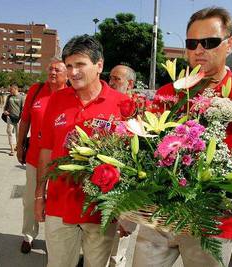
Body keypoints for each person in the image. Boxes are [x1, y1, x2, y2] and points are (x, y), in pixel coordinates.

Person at [132, 7, 232, 267]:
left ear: (229, 44)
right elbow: (142, 150)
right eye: (191, 43)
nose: (199, 50)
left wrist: (230, 199)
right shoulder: (168, 93)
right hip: (158, 220)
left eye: (209, 42)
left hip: (213, 225)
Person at [35, 34, 129, 267]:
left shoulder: (121, 104)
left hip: (101, 209)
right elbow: (46, 150)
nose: (73, 72)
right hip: (59, 205)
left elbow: (131, 161)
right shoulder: (56, 100)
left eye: (80, 65)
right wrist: (39, 195)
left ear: (99, 65)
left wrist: (126, 209)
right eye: (69, 66)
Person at [16, 57, 67, 253]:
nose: (53, 73)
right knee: (31, 199)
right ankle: (28, 235)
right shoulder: (36, 90)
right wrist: (20, 145)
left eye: (58, 70)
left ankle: (56, 241)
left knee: (57, 202)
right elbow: (25, 120)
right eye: (50, 69)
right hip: (35, 156)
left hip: (60, 159)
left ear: (66, 75)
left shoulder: (71, 94)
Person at [108, 64, 137, 267]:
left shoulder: (140, 110)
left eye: (116, 79)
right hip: (104, 185)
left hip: (127, 191)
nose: (111, 82)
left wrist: (129, 215)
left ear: (130, 84)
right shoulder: (106, 104)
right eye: (110, 78)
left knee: (117, 248)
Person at [4, 83, 24, 156]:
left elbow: (23, 108)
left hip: (19, 118)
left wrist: (21, 117)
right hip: (10, 117)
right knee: (10, 132)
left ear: (16, 89)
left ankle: (17, 147)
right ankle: (12, 149)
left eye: (11, 89)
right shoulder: (9, 97)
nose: (10, 91)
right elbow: (6, 106)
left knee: (18, 134)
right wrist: (5, 111)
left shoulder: (21, 97)